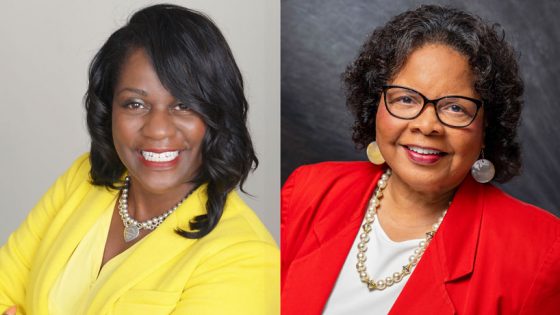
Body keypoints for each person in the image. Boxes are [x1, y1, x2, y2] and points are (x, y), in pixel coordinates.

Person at [0, 4, 278, 315]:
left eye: (184, 105)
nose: (158, 130)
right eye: (135, 104)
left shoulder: (244, 257)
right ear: (109, 111)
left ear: (215, 114)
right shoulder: (82, 179)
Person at [281, 5, 560, 314]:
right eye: (406, 99)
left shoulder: (540, 251)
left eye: (455, 107)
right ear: (375, 106)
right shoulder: (308, 191)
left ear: (487, 126)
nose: (426, 125)